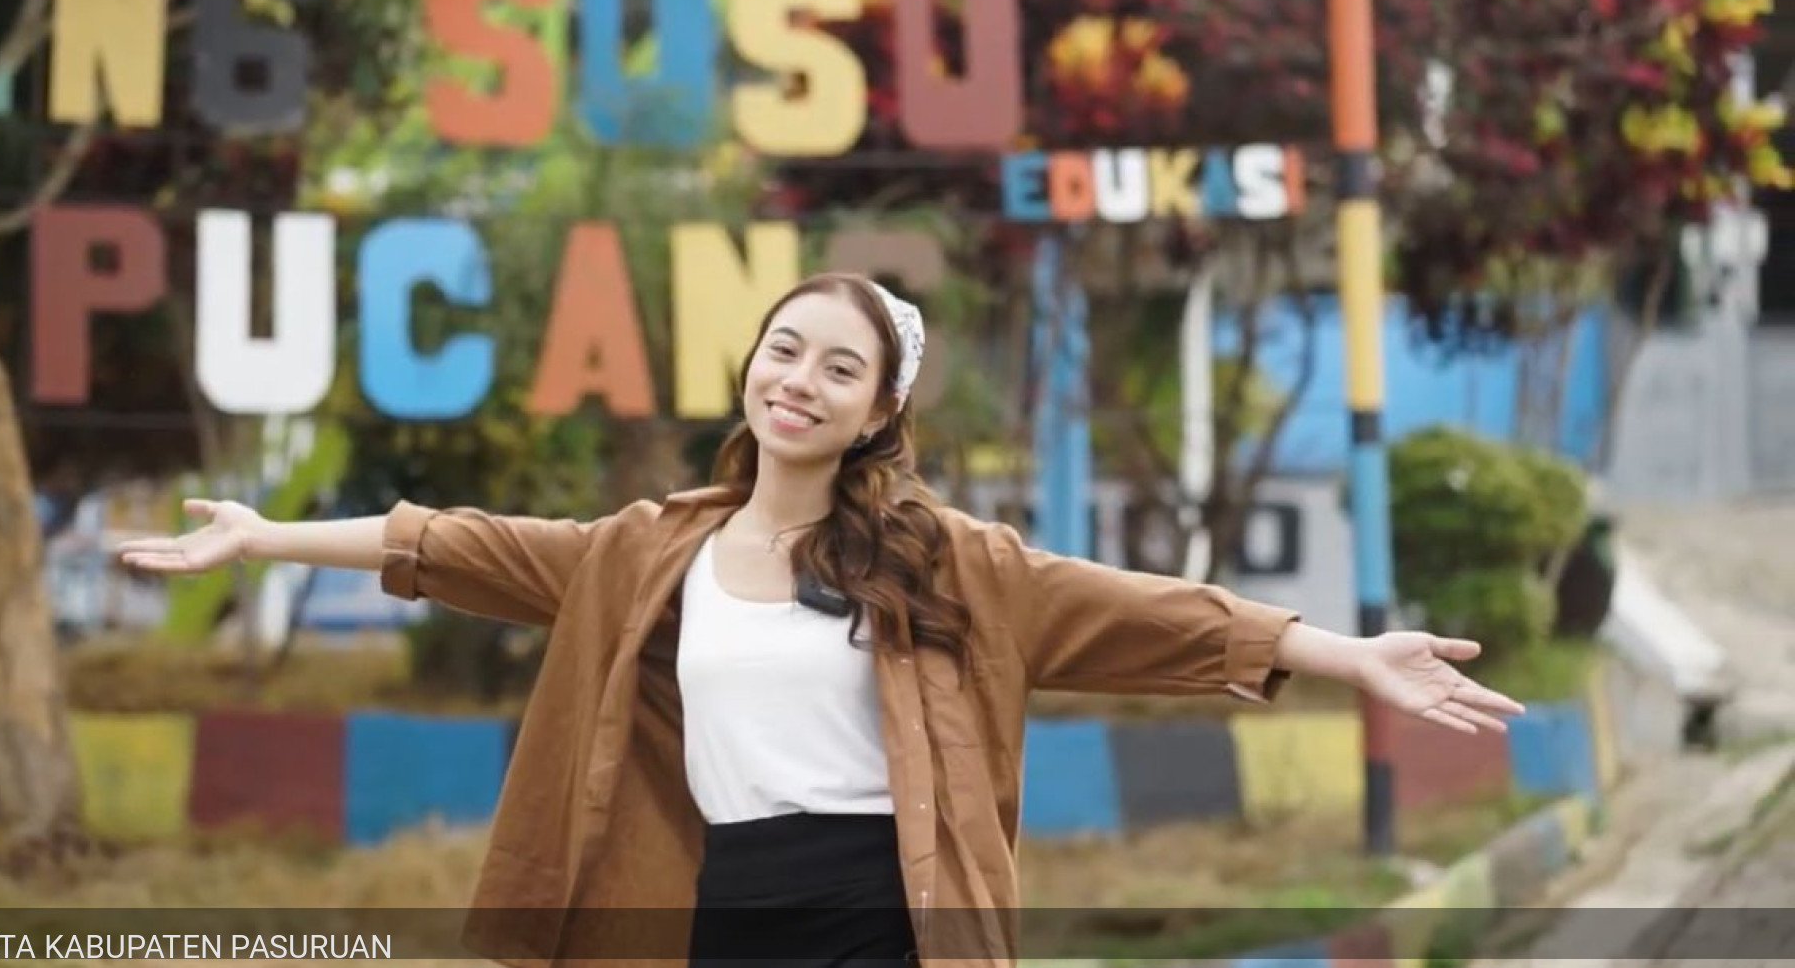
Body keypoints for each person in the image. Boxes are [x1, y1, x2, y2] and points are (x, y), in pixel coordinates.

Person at [118, 272, 1523, 968]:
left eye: (838, 368)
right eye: (785, 349)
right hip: (723, 901)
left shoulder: (946, 561)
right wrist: (263, 535)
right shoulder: (647, 551)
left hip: (889, 908)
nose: (798, 379)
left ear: (877, 411)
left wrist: (1349, 656)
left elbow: (1150, 615)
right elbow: (455, 546)